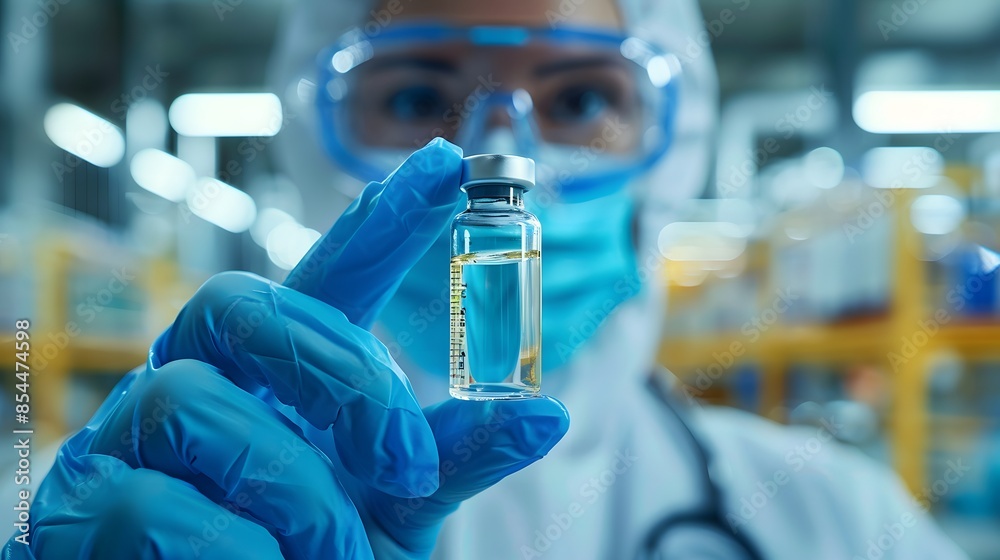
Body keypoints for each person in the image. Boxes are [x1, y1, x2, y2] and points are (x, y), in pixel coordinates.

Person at [8, 0, 971, 558]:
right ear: (310, 137)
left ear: (669, 150)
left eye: (581, 98)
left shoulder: (842, 523)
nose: (501, 152)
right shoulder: (122, 506)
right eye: (419, 94)